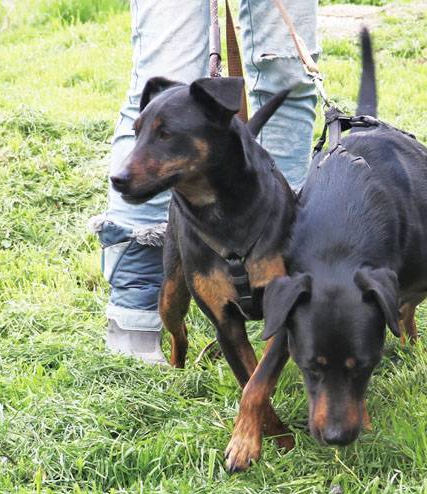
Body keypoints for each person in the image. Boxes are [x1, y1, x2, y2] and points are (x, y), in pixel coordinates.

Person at [90, 0, 318, 364]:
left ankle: (288, 271)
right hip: (190, 223)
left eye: (162, 137)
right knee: (166, 65)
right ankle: (137, 296)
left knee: (286, 69)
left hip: (257, 196)